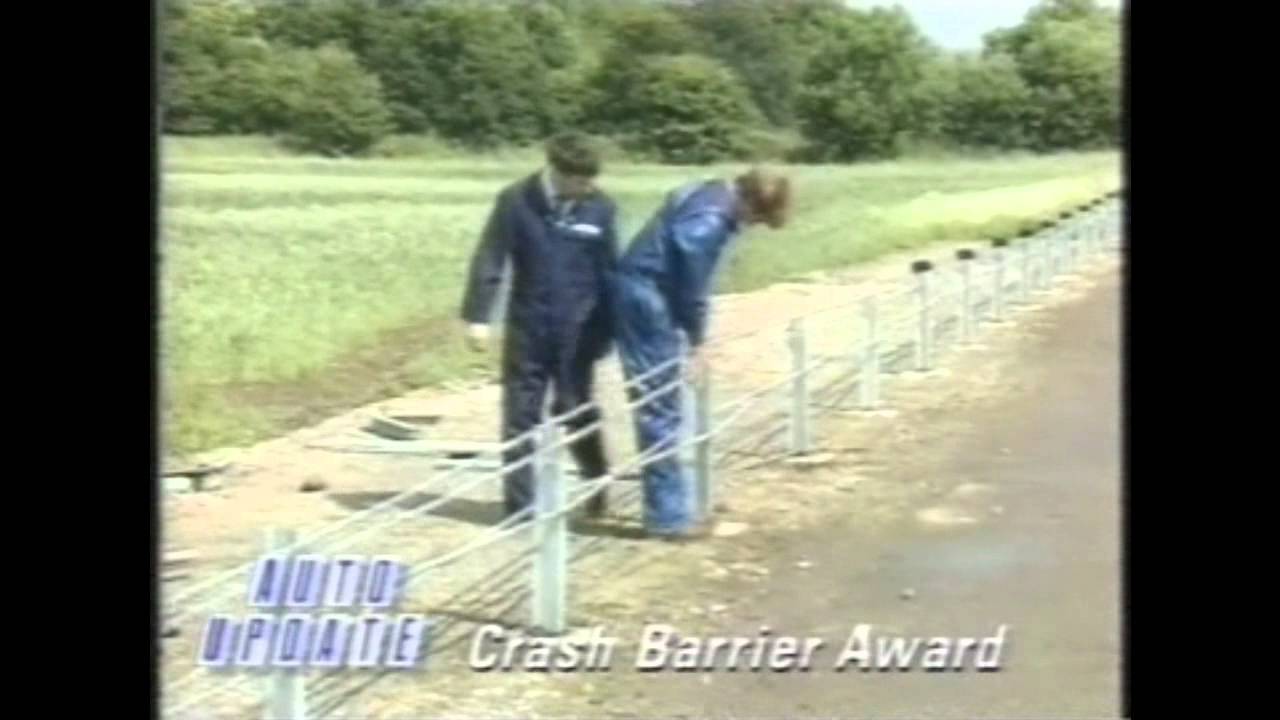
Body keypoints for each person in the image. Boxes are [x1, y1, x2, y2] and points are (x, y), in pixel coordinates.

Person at [612, 168, 791, 540]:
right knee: (659, 403)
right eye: (756, 220)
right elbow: (692, 288)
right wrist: (697, 341)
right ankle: (668, 517)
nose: (750, 227)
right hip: (648, 300)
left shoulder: (710, 191)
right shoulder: (710, 223)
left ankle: (678, 501)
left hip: (643, 290)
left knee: (665, 405)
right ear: (751, 204)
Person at [461, 132, 620, 521]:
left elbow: (610, 272)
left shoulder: (600, 208)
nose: (587, 188)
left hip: (579, 330)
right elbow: (491, 258)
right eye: (580, 181)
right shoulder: (515, 201)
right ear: (558, 172)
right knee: (520, 414)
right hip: (528, 325)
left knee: (575, 408)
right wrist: (479, 317)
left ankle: (596, 483)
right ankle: (521, 508)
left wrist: (610, 329)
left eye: (591, 180)